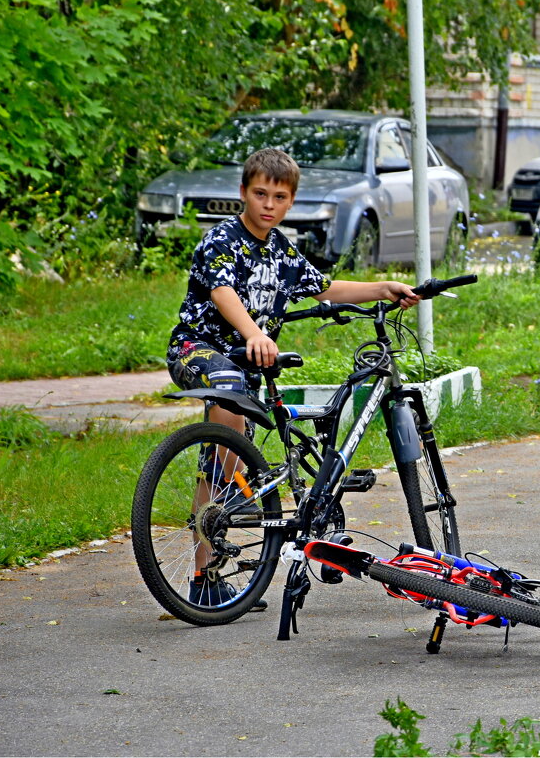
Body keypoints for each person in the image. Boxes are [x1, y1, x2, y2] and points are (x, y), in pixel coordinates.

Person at [167, 147, 419, 606]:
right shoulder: (220, 240)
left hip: (250, 365)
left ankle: (206, 573)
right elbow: (223, 293)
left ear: (290, 202)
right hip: (199, 351)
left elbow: (324, 288)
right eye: (260, 193)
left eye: (279, 197)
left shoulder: (282, 251)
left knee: (214, 465)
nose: (268, 204)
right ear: (243, 193)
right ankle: (238, 493)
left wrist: (383, 287)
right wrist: (255, 334)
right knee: (230, 392)